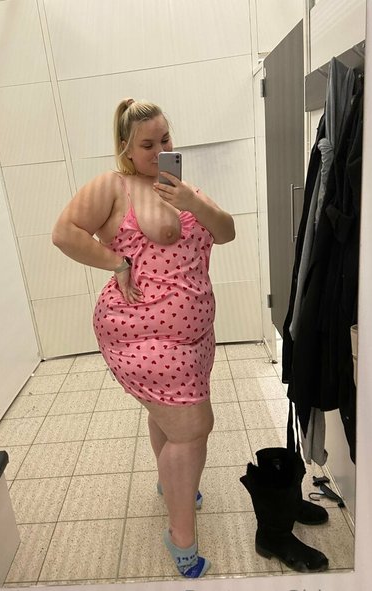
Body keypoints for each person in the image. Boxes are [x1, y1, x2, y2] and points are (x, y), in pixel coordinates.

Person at [52, 98, 235, 578]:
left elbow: (227, 232)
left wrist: (193, 202)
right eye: (147, 144)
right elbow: (64, 233)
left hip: (194, 336)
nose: (159, 151)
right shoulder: (113, 187)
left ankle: (172, 482)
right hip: (141, 332)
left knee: (168, 417)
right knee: (193, 428)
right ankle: (181, 537)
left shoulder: (181, 189)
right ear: (126, 148)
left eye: (165, 139)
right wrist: (117, 262)